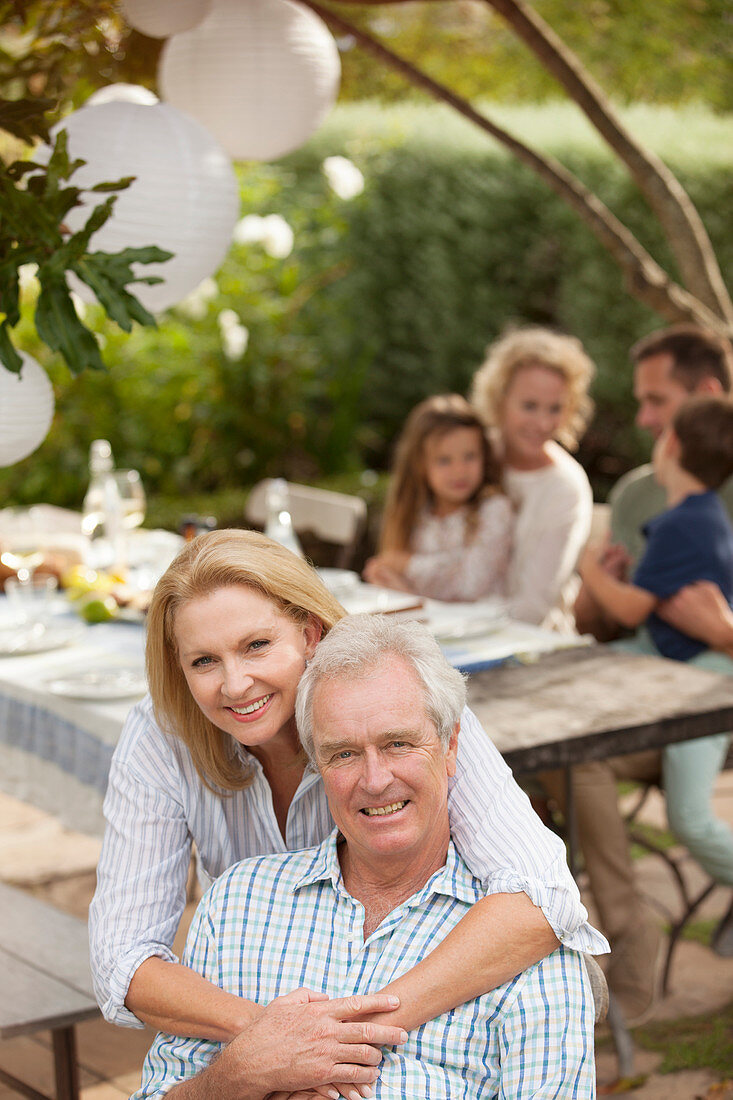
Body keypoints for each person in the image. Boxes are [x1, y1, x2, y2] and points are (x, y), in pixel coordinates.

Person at [89, 529, 606, 1099]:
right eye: (204, 660)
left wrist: (345, 1039)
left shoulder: (395, 698)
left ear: (310, 634)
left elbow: (544, 896)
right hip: (257, 967)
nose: (235, 683)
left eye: (257, 645)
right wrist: (268, 1046)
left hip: (412, 965)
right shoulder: (166, 745)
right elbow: (123, 960)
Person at [580, 394, 733, 878]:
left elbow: (629, 608)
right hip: (669, 657)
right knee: (580, 674)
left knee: (688, 818)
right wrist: (621, 577)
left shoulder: (682, 524)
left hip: (707, 679)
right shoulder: (703, 515)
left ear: (673, 446)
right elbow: (646, 601)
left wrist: (590, 570)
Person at [575, 324, 733, 641]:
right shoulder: (635, 494)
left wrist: (724, 633)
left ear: (706, 395)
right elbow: (598, 631)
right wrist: (598, 589)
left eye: (657, 401)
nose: (643, 419)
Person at [470, 325, 595, 631]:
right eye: (529, 406)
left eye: (555, 408)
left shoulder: (566, 487)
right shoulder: (471, 457)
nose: (542, 423)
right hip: (449, 629)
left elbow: (533, 607)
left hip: (532, 643)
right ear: (500, 399)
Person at [362, 394, 513, 601]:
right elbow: (400, 593)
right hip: (428, 626)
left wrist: (405, 564)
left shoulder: (494, 510)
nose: (460, 471)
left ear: (484, 456)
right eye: (444, 460)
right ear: (420, 464)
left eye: (470, 456)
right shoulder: (415, 513)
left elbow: (470, 585)